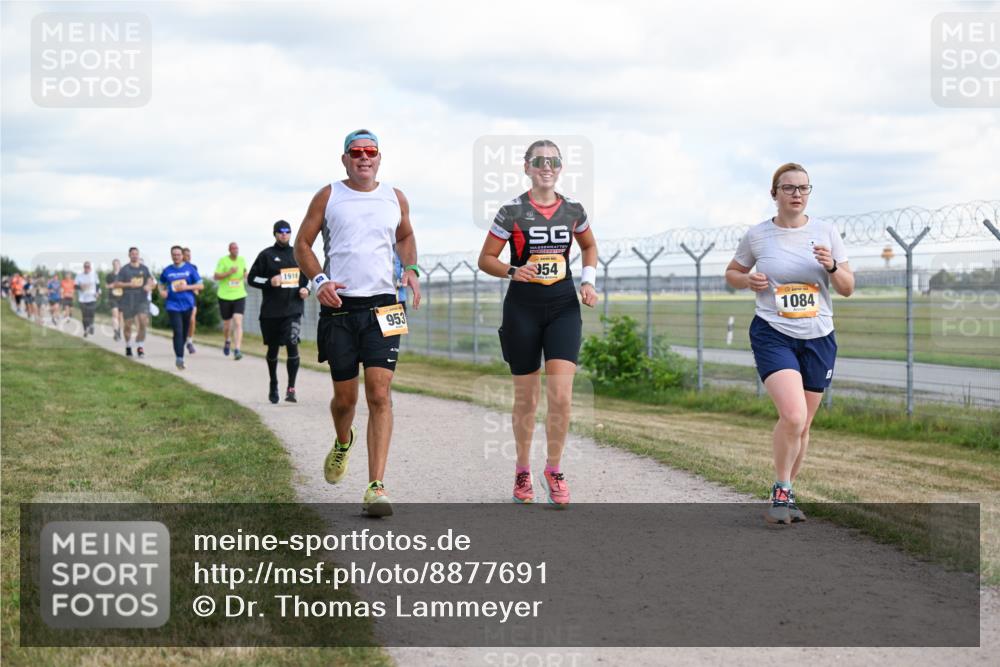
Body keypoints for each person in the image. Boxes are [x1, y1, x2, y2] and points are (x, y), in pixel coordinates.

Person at [294, 129, 421, 517]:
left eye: (371, 152)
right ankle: (342, 440)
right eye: (356, 152)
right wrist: (318, 282)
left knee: (380, 395)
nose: (364, 158)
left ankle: (376, 487)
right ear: (345, 158)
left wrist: (411, 268)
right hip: (341, 308)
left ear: (379, 158)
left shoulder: (394, 197)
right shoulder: (329, 195)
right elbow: (303, 245)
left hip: (385, 305)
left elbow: (406, 235)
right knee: (345, 399)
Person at [725, 163, 855, 525]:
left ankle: (787, 493)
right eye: (789, 188)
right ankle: (780, 492)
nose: (797, 194)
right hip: (773, 332)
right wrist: (747, 279)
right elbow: (732, 273)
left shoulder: (826, 232)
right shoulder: (758, 236)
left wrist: (831, 267)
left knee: (804, 425)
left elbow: (847, 287)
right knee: (793, 415)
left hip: (819, 336)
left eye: (803, 188)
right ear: (774, 194)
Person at [477, 139, 598, 507]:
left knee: (561, 395)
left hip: (562, 307)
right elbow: (485, 259)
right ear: (527, 167)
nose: (547, 166)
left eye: (554, 161)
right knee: (527, 399)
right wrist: (514, 270)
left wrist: (588, 280)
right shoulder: (511, 211)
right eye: (539, 161)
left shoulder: (574, 209)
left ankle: (554, 469)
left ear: (561, 167)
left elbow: (589, 246)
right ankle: (522, 470)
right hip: (522, 309)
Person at [248, 221, 310, 403]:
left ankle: (291, 388)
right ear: (275, 234)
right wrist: (269, 281)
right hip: (271, 312)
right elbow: (252, 278)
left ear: (291, 234)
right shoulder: (266, 255)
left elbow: (309, 279)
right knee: (273, 349)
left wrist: (307, 290)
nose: (284, 234)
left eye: (287, 232)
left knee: (292, 343)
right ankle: (273, 382)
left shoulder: (298, 254)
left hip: (293, 309)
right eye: (280, 232)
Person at [159, 245, 204, 370]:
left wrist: (187, 287)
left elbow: (200, 286)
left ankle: (181, 349)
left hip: (187, 305)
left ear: (182, 256)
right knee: (178, 331)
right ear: (171, 255)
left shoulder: (190, 269)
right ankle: (180, 358)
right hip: (172, 305)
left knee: (184, 332)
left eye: (178, 254)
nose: (176, 257)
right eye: (174, 254)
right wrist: (162, 291)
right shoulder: (167, 270)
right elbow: (161, 283)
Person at [113, 247, 154, 358]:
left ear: (138, 255)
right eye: (132, 254)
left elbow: (151, 281)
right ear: (129, 255)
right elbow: (116, 284)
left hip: (142, 299)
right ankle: (128, 346)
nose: (135, 256)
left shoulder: (144, 269)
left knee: (143, 321)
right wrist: (129, 284)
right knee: (128, 325)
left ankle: (140, 346)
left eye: (136, 254)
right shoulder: (125, 269)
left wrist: (148, 286)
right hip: (128, 300)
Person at [214, 242, 247, 360]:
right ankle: (227, 340)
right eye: (233, 248)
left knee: (238, 322)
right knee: (227, 325)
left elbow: (244, 273)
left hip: (239, 295)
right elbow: (216, 276)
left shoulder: (242, 260)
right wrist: (229, 272)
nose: (235, 250)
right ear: (229, 250)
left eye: (237, 248)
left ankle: (237, 349)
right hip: (224, 296)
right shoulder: (223, 261)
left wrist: (247, 275)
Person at [75, 261, 100, 336]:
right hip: (82, 299)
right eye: (85, 267)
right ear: (84, 267)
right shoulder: (79, 276)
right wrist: (80, 287)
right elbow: (75, 286)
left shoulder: (94, 275)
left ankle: (91, 325)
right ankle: (86, 329)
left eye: (88, 267)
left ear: (90, 268)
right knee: (85, 315)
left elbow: (98, 285)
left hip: (92, 298)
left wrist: (97, 293)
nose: (87, 268)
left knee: (91, 313)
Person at [182, 247, 198, 354]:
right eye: (186, 255)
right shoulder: (176, 268)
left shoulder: (193, 267)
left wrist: (195, 288)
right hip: (179, 299)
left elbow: (197, 281)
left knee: (192, 319)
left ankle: (189, 341)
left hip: (191, 298)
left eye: (190, 255)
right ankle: (181, 339)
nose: (189, 257)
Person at [106, 259, 124, 341]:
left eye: (117, 264)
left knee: (120, 317)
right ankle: (116, 332)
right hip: (113, 298)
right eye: (114, 264)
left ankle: (119, 331)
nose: (116, 266)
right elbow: (107, 286)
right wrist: (112, 285)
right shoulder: (109, 275)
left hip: (123, 298)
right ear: (113, 265)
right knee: (115, 315)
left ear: (120, 265)